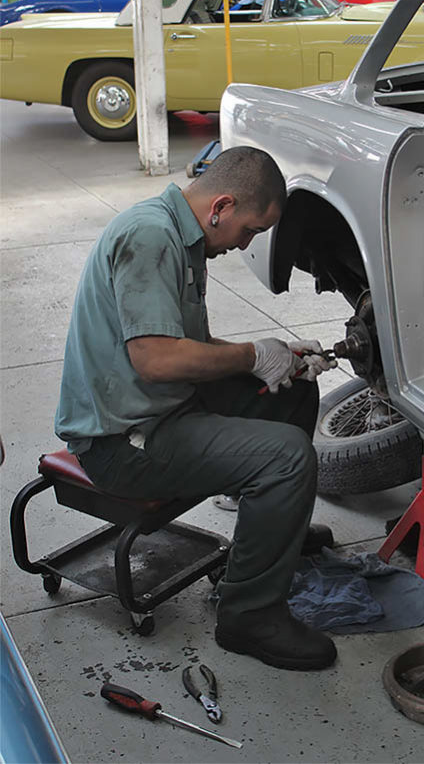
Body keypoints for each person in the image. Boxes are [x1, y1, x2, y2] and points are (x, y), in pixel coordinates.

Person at [55, 146, 338, 671]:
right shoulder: (151, 236)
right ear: (221, 207)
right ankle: (248, 616)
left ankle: (274, 537)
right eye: (250, 230)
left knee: (293, 389)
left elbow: (189, 346)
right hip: (125, 440)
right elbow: (157, 360)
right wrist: (253, 355)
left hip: (159, 406)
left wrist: (272, 360)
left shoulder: (181, 236)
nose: (245, 244)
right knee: (287, 456)